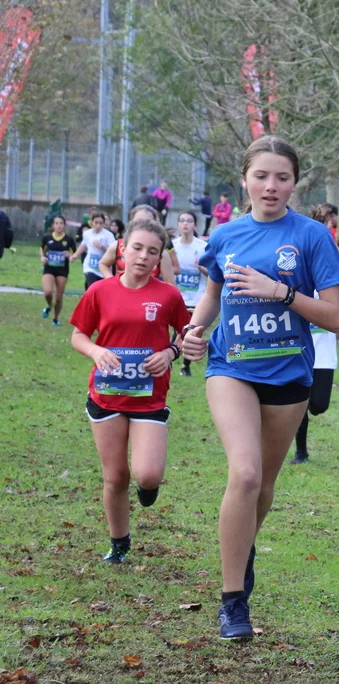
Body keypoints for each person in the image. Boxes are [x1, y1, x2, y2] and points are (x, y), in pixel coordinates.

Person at [180, 135, 339, 640]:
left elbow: (334, 318)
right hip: (231, 367)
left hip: (289, 375)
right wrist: (194, 330)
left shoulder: (312, 236)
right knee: (246, 473)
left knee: (264, 484)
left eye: (282, 177)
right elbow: (212, 295)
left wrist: (280, 291)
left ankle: (242, 546)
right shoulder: (226, 235)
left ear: (295, 183)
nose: (271, 186)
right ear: (245, 180)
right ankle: (233, 601)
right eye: (261, 176)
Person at [69, 218, 190, 564]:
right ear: (123, 248)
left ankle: (147, 487)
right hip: (107, 394)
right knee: (115, 476)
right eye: (137, 248)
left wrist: (170, 353)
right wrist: (96, 351)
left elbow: (187, 333)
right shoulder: (100, 291)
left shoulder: (168, 295)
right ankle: (119, 542)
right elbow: (78, 335)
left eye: (152, 251)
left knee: (148, 474)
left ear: (159, 257)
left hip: (149, 397)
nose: (143, 256)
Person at [292, 206, 339, 464]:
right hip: (297, 347)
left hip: (324, 348)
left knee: (318, 405)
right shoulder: (291, 267)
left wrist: (323, 310)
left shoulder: (328, 267)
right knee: (299, 400)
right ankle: (301, 451)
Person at [99, 205, 177, 286]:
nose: (143, 225)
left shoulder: (161, 253)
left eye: (148, 221)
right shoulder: (118, 245)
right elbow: (103, 264)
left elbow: (170, 283)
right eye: (139, 221)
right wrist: (113, 283)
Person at [172, 211, 209, 376]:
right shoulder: (172, 246)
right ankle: (169, 362)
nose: (185, 223)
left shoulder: (202, 247)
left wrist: (201, 267)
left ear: (195, 225)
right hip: (177, 297)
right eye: (182, 220)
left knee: (191, 332)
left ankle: (185, 366)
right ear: (178, 225)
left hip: (197, 298)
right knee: (177, 331)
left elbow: (212, 273)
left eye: (189, 221)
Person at [40, 214, 78, 326]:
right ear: (53, 225)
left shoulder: (69, 240)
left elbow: (74, 254)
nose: (59, 226)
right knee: (47, 292)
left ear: (64, 225)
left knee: (58, 296)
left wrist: (70, 256)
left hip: (62, 270)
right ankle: (49, 305)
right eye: (56, 223)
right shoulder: (47, 238)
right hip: (49, 268)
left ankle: (56, 318)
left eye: (61, 223)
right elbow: (42, 249)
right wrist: (42, 257)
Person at [73, 211, 116, 291]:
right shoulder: (87, 233)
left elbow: (113, 251)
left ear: (104, 223)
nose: (98, 225)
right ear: (91, 222)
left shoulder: (108, 235)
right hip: (90, 266)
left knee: (101, 290)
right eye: (96, 222)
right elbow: (84, 245)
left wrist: (102, 246)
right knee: (92, 288)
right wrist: (75, 255)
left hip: (104, 267)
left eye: (101, 223)